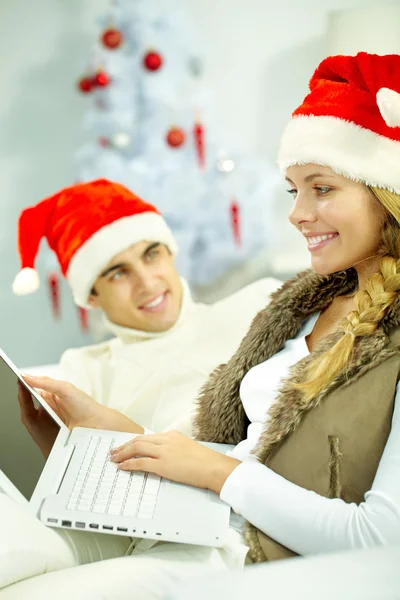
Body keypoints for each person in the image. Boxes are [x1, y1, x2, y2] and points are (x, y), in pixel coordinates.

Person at [6, 51, 400, 599]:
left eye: (322, 187)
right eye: (294, 190)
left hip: (243, 552)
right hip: (193, 519)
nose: (296, 213)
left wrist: (216, 475)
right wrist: (116, 433)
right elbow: (247, 455)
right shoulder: (301, 306)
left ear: (387, 193)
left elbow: (379, 537)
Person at [12, 178, 281, 441]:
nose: (147, 282)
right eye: (118, 273)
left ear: (171, 254)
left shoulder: (260, 304)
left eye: (151, 255)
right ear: (91, 296)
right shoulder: (87, 372)